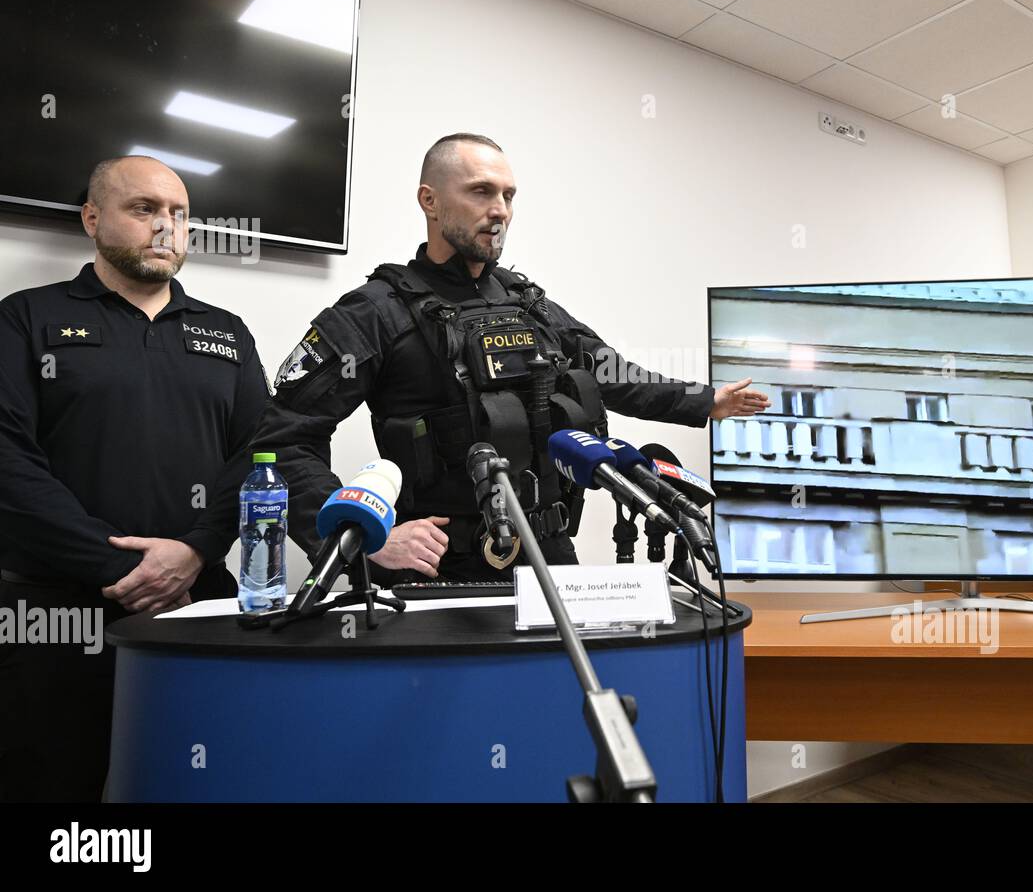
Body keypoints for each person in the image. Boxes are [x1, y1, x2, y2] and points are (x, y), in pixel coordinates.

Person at [253, 132, 768, 584]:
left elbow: (609, 371)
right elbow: (283, 440)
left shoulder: (528, 303)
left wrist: (705, 401)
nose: (499, 209)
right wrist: (364, 535)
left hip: (549, 554)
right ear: (429, 201)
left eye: (508, 195)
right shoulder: (376, 311)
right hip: (439, 568)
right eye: (480, 191)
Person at [0, 156, 270, 801]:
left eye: (179, 214)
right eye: (144, 209)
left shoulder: (225, 334)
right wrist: (119, 567)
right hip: (55, 616)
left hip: (196, 603)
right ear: (92, 218)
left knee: (192, 782)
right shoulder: (26, 318)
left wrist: (197, 549)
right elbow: (8, 460)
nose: (166, 228)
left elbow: (262, 455)